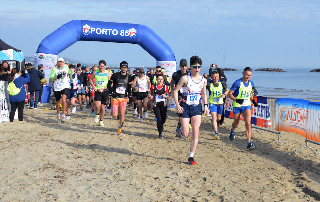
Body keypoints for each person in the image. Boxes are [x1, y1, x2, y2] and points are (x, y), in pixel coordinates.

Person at [173, 56, 209, 165]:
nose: (197, 69)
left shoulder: (204, 80)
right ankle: (179, 129)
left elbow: (203, 94)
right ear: (190, 67)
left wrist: (206, 106)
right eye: (195, 67)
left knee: (196, 132)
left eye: (199, 67)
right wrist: (178, 105)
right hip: (185, 107)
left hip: (197, 107)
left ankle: (191, 156)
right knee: (186, 134)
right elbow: (175, 91)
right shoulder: (185, 78)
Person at [228, 67, 258, 151]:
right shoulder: (237, 83)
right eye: (247, 75)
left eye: (250, 75)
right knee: (236, 123)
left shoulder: (251, 83)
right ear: (243, 74)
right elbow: (229, 95)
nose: (248, 76)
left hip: (246, 106)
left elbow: (250, 94)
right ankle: (233, 130)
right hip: (237, 106)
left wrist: (253, 101)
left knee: (248, 123)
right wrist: (237, 99)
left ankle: (249, 143)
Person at [110, 61, 133, 136]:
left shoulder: (129, 77)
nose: (124, 69)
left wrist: (129, 95)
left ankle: (119, 130)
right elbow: (108, 84)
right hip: (115, 98)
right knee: (114, 115)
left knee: (122, 114)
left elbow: (129, 88)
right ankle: (112, 111)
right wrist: (111, 92)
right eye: (123, 67)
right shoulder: (115, 75)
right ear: (120, 68)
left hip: (124, 98)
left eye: (125, 67)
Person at [49, 58, 73, 123]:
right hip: (57, 87)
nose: (60, 63)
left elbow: (70, 74)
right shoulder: (54, 69)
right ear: (57, 63)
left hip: (64, 86)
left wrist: (72, 81)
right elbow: (50, 79)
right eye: (59, 62)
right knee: (58, 102)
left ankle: (63, 115)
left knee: (64, 100)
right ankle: (58, 115)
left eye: (61, 62)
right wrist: (56, 77)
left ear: (63, 63)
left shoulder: (66, 68)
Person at [207, 70, 229, 140]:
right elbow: (202, 88)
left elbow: (227, 90)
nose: (215, 78)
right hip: (212, 103)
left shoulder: (222, 83)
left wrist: (224, 94)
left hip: (220, 103)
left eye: (216, 77)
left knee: (218, 118)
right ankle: (216, 133)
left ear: (219, 77)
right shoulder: (209, 84)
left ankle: (214, 123)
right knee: (214, 117)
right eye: (214, 77)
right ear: (211, 77)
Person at [90, 60, 111, 126]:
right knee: (97, 104)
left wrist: (105, 88)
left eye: (102, 66)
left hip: (105, 91)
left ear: (105, 66)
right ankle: (97, 114)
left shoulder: (108, 73)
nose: (101, 67)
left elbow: (111, 83)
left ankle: (101, 120)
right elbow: (90, 79)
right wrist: (93, 86)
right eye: (100, 66)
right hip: (97, 91)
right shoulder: (95, 72)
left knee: (102, 108)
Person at [171, 59, 188, 138]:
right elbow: (172, 82)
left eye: (185, 66)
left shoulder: (189, 74)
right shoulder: (176, 74)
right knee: (181, 112)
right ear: (180, 66)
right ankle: (180, 129)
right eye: (182, 66)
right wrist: (172, 91)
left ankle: (179, 126)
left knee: (187, 114)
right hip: (179, 95)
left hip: (187, 95)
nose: (184, 68)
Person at [149, 73, 170, 139]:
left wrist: (165, 96)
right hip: (156, 105)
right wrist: (150, 96)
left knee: (163, 119)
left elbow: (168, 96)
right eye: (159, 79)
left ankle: (161, 125)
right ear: (157, 79)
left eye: (161, 79)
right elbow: (149, 93)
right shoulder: (153, 86)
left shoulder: (165, 87)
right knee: (159, 118)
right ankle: (160, 133)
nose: (160, 81)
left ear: (163, 80)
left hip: (163, 105)